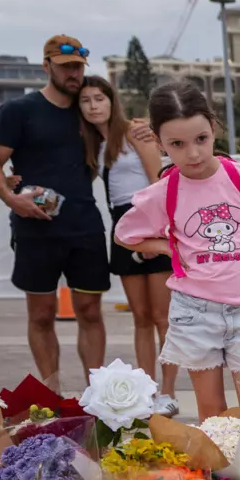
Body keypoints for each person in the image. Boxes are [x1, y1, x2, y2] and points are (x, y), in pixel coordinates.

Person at [114, 82, 240, 419]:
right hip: (194, 312)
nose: (192, 154)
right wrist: (169, 247)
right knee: (212, 411)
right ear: (161, 144)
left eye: (201, 139)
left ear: (213, 128)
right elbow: (125, 234)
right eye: (177, 144)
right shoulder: (164, 192)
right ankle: (217, 473)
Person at [0, 36, 114, 390]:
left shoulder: (88, 109)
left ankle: (96, 396)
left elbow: (121, 132)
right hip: (34, 229)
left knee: (89, 312)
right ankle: (51, 394)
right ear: (47, 66)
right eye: (65, 66)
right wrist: (12, 200)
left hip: (84, 226)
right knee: (41, 315)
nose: (73, 74)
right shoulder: (19, 111)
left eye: (78, 67)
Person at [78, 75, 178, 416]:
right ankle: (146, 390)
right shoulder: (93, 144)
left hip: (148, 220)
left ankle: (167, 391)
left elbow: (158, 182)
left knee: (162, 316)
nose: (93, 106)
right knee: (140, 316)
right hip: (121, 227)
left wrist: (156, 232)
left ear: (111, 100)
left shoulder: (135, 133)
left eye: (99, 98)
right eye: (85, 100)